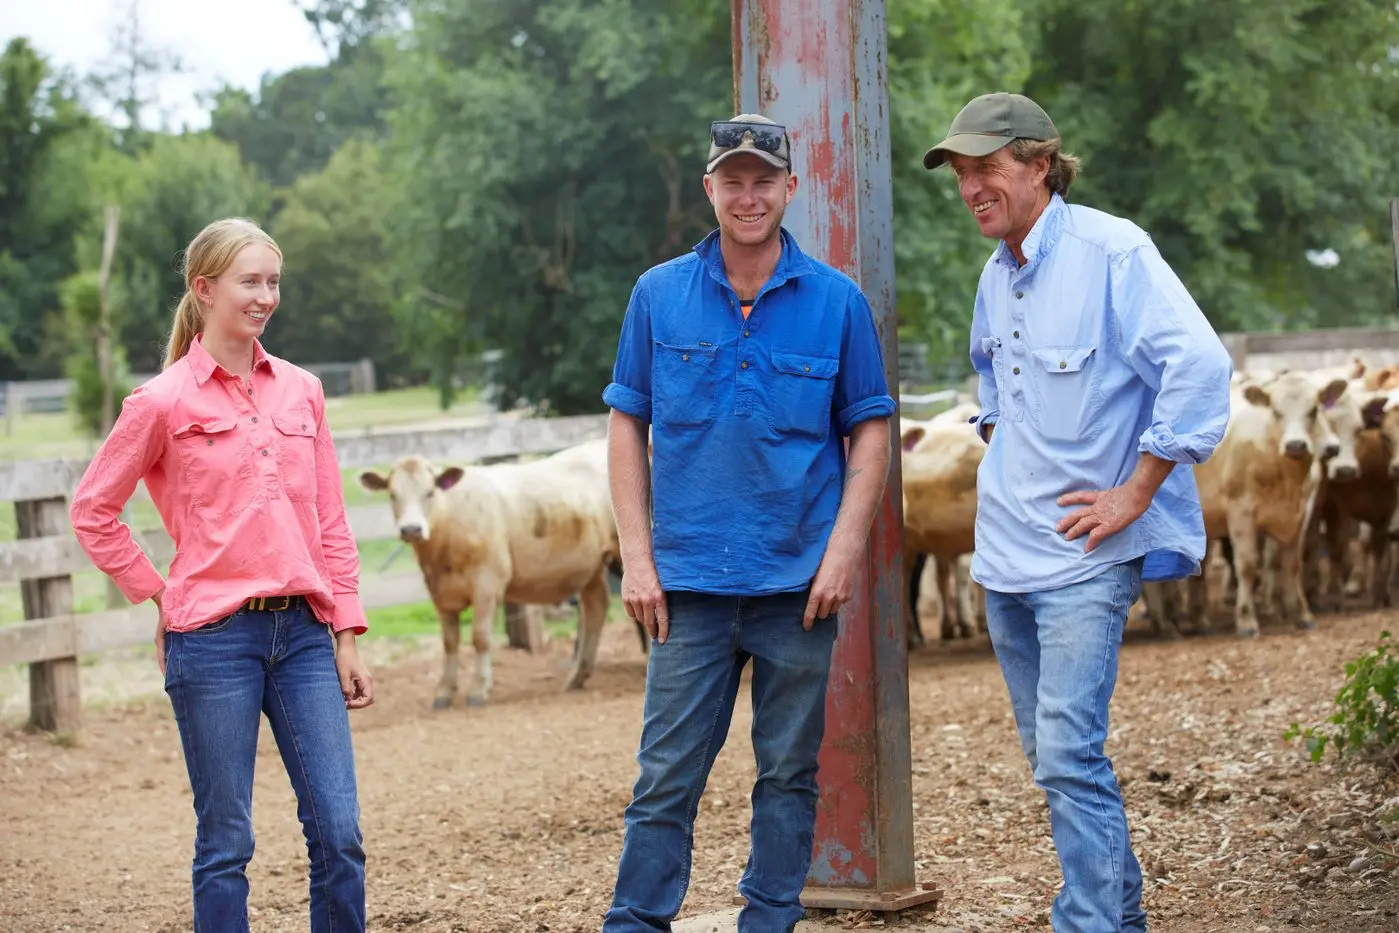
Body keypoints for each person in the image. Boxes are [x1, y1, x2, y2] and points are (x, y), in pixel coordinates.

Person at [922, 92, 1233, 933]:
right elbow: (991, 383)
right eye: (960, 173)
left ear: (1037, 162)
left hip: (1084, 560)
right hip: (1004, 554)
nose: (971, 187)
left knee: (1066, 754)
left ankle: (1090, 923)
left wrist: (1135, 490)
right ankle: (1114, 913)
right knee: (1054, 760)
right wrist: (1004, 439)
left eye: (985, 168)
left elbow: (1200, 368)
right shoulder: (995, 273)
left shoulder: (1111, 251)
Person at [599, 113, 896, 932]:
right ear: (709, 188)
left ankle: (768, 920)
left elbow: (869, 427)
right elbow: (628, 421)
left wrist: (842, 552)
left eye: (764, 179)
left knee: (789, 774)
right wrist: (638, 554)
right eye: (732, 179)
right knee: (665, 776)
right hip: (686, 585)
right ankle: (635, 922)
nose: (748, 194)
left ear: (789, 188)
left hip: (797, 584)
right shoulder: (657, 294)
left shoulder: (836, 303)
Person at [69, 217, 374, 933]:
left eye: (273, 281)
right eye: (250, 281)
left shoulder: (301, 391)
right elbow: (93, 511)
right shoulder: (161, 402)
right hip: (210, 643)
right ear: (203, 289)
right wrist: (157, 591)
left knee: (339, 831)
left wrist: (349, 631)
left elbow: (329, 519)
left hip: (303, 635)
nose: (265, 295)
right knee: (226, 845)